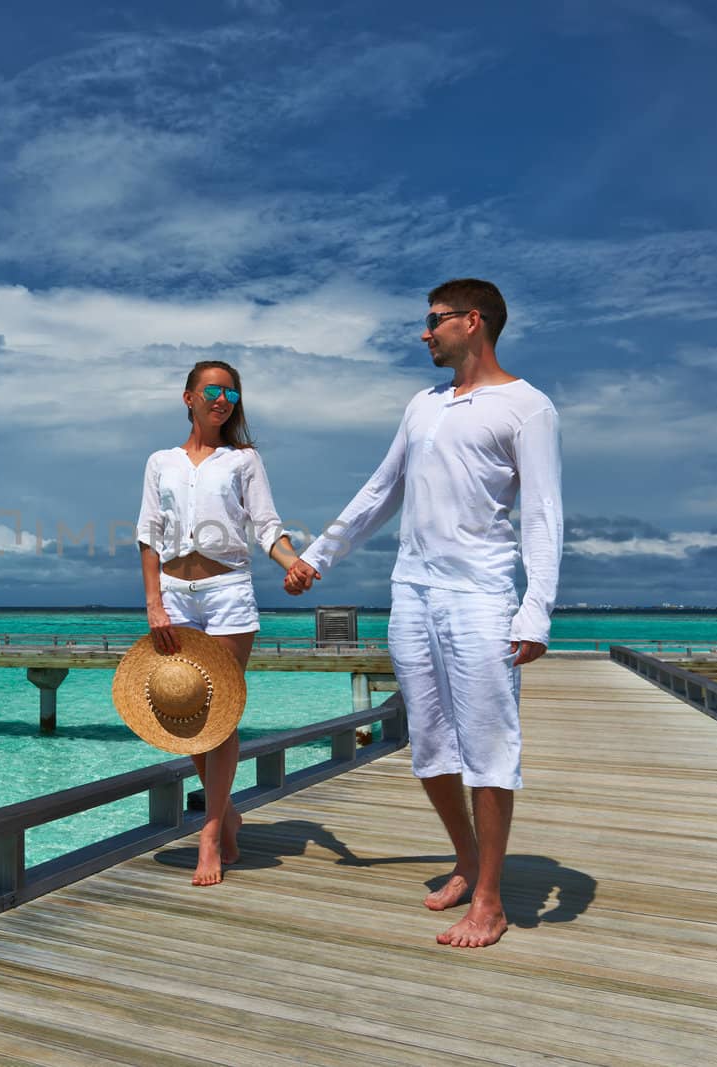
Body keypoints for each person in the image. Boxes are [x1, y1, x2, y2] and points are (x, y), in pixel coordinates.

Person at [285, 279, 562, 947]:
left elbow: (544, 515)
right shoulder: (423, 405)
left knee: (489, 747)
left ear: (474, 322)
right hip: (411, 592)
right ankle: (467, 861)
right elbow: (382, 488)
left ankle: (491, 900)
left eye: (435, 320)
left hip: (480, 597)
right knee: (431, 747)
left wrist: (536, 611)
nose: (424, 332)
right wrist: (319, 554)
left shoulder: (528, 408)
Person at [137, 359, 303, 886]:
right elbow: (148, 534)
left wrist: (291, 563)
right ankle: (227, 812)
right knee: (184, 713)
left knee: (221, 716)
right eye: (211, 390)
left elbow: (266, 526)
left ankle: (208, 830)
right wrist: (153, 603)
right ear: (188, 397)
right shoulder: (160, 461)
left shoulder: (244, 460)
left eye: (230, 392)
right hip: (174, 597)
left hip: (227, 591)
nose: (221, 399)